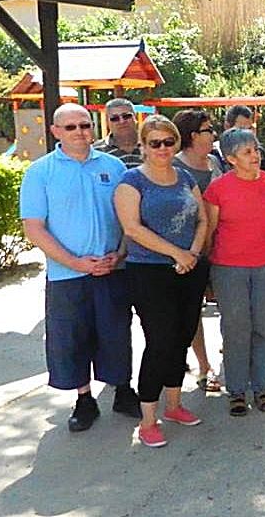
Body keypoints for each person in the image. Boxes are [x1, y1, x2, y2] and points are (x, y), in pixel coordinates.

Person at [20, 103, 140, 433]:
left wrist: (119, 254)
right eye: (70, 127)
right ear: (56, 132)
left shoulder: (114, 167)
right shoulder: (40, 172)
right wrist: (74, 262)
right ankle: (84, 399)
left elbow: (129, 218)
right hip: (67, 274)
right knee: (72, 338)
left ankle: (123, 391)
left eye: (85, 125)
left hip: (112, 268)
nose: (80, 132)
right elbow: (34, 228)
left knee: (116, 333)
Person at [114, 115, 209, 448]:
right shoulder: (131, 181)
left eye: (169, 142)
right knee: (160, 341)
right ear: (143, 146)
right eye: (155, 143)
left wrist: (192, 253)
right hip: (150, 272)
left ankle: (174, 405)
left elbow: (201, 218)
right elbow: (133, 228)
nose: (163, 148)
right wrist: (176, 254)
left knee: (182, 336)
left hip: (189, 268)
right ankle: (148, 419)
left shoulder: (184, 177)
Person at [204, 128, 265, 416]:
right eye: (247, 152)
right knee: (236, 328)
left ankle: (261, 385)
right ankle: (236, 389)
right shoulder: (218, 189)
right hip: (229, 267)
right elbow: (210, 231)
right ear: (230, 158)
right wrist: (209, 271)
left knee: (262, 327)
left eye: (256, 150)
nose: (255, 156)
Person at [172, 109, 223, 393]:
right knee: (192, 311)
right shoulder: (177, 167)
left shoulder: (215, 161)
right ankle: (203, 365)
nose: (213, 134)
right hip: (189, 249)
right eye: (208, 130)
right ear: (193, 135)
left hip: (220, 248)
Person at [213, 105, 265, 172]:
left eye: (249, 129)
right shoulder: (215, 154)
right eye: (241, 129)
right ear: (227, 126)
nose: (246, 134)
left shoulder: (259, 152)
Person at [93, 97, 142, 167]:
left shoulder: (154, 146)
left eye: (126, 116)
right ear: (107, 122)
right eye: (115, 118)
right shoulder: (96, 151)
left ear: (135, 117)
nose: (122, 121)